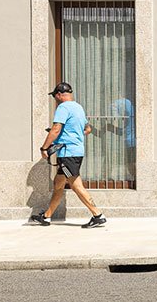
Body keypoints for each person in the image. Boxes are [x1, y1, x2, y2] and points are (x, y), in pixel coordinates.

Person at [29, 82, 107, 228]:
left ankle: (98, 215)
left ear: (59, 94)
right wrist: (73, 135)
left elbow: (56, 129)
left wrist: (44, 148)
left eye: (55, 96)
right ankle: (46, 217)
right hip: (76, 151)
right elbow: (88, 129)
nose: (55, 99)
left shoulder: (63, 108)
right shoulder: (78, 107)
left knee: (75, 184)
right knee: (58, 184)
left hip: (68, 153)